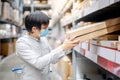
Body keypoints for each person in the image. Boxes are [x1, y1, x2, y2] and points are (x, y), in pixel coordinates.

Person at [16, 11, 79, 80]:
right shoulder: (22, 43)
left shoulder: (43, 40)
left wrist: (67, 48)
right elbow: (38, 63)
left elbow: (52, 59)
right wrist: (62, 47)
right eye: (44, 28)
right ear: (34, 29)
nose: (46, 31)